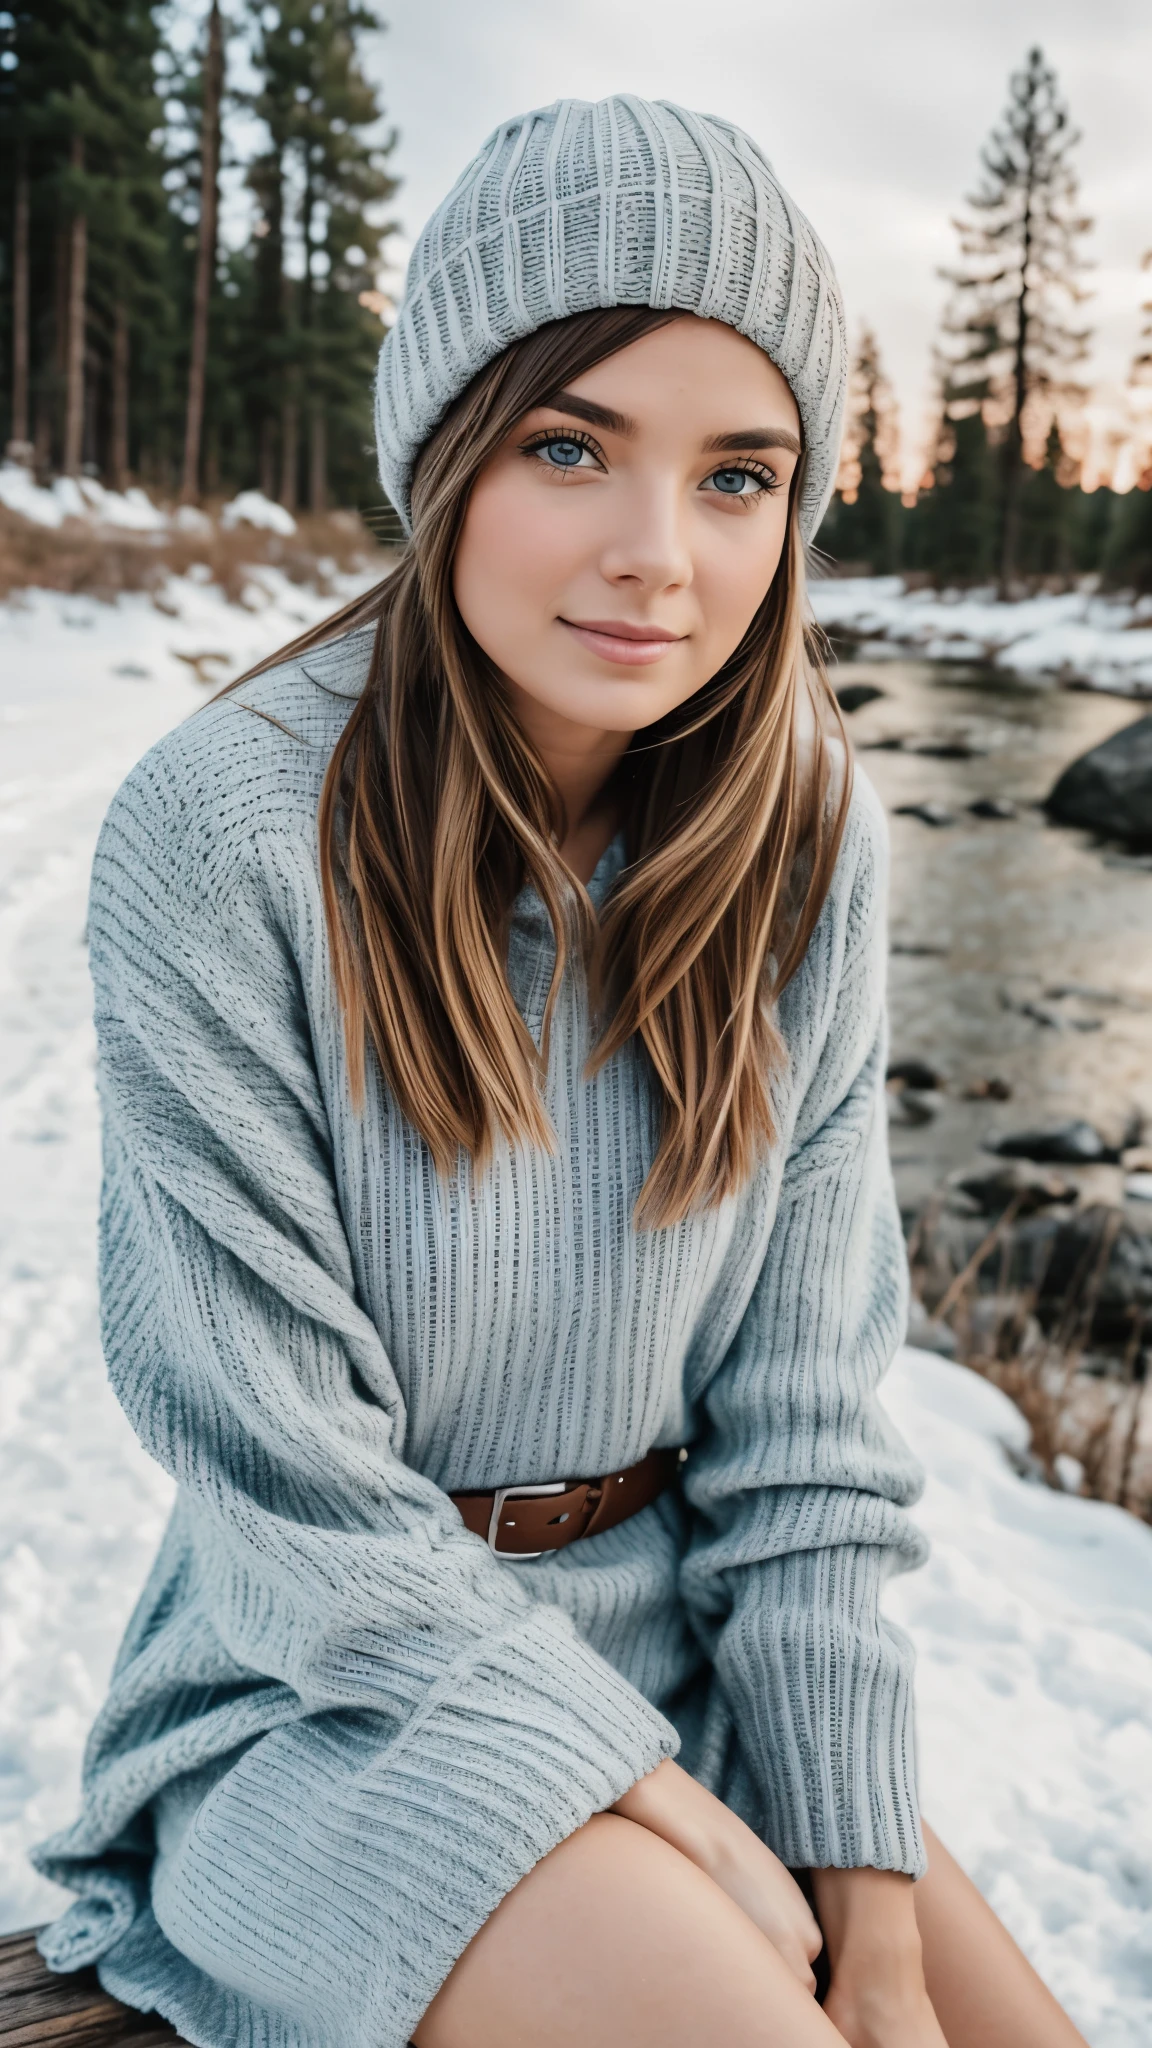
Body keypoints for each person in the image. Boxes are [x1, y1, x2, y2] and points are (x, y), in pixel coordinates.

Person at [33, 96, 1087, 2048]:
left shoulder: (808, 838)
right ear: (446, 457)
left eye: (739, 476)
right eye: (571, 444)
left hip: (678, 1653)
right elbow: (284, 1476)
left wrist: (865, 1907)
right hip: (331, 1701)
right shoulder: (229, 828)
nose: (657, 556)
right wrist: (672, 1812)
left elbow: (807, 1435)